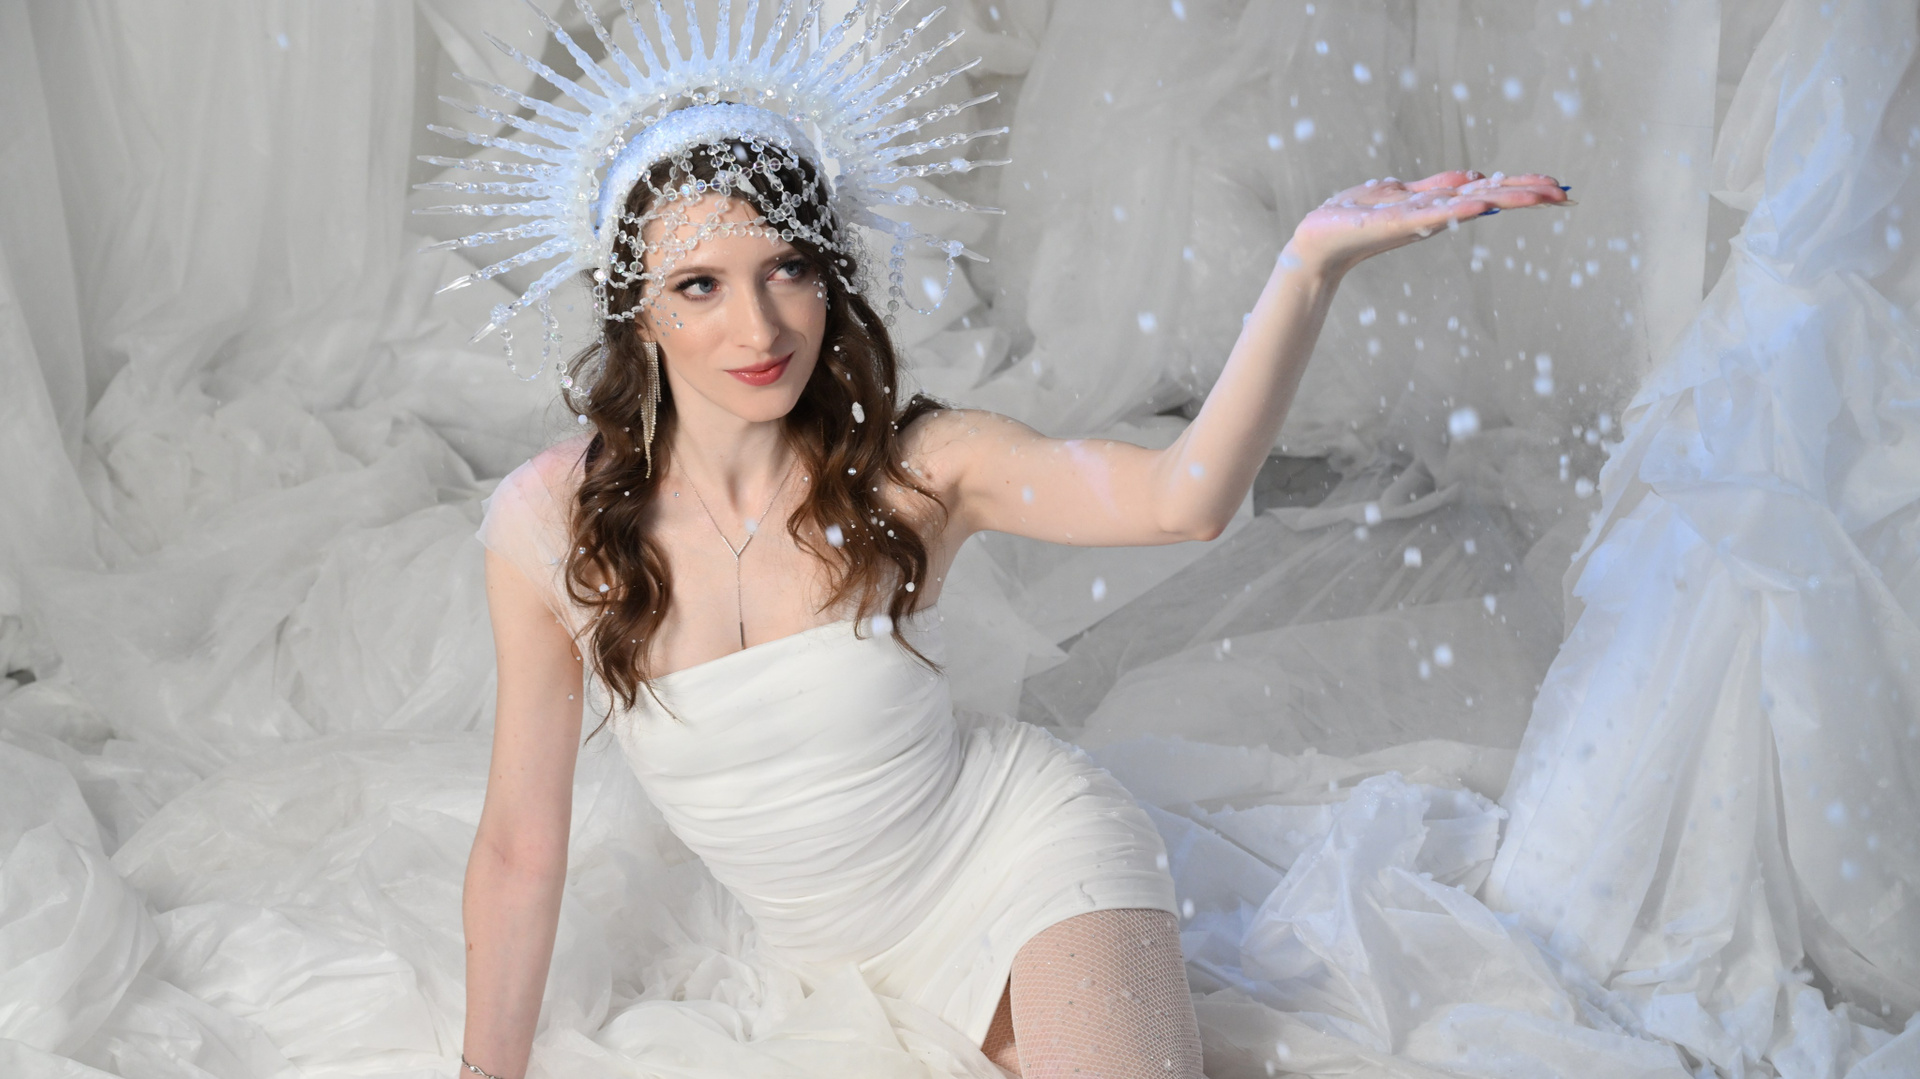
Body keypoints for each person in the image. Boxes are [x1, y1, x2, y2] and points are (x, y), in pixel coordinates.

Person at [457, 129, 1566, 1076]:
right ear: (636, 310)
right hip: (831, 966)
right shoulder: (551, 523)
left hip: (1025, 857)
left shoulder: (921, 467)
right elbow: (519, 843)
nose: (759, 327)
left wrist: (1307, 270)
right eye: (700, 284)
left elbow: (1183, 501)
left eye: (787, 267)